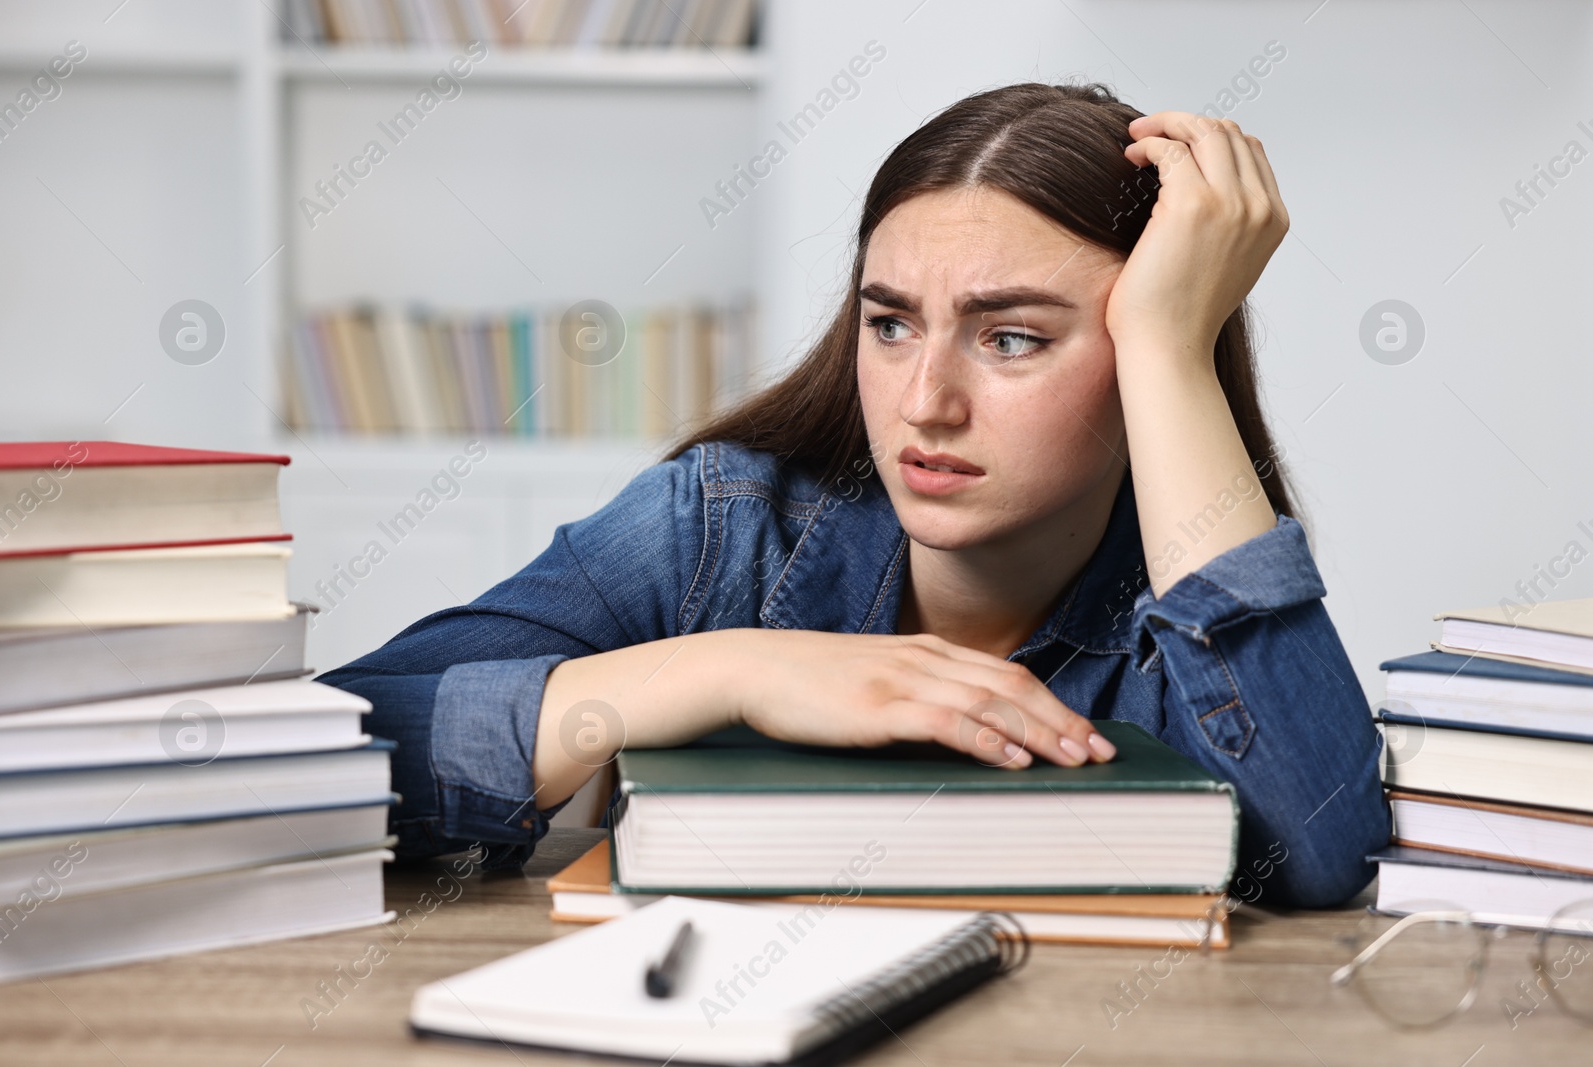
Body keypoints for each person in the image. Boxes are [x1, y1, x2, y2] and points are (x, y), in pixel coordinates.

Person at [319, 82, 1390, 908]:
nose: (925, 401)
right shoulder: (722, 528)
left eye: (1011, 338)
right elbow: (328, 751)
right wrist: (731, 666)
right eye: (889, 323)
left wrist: (1168, 345)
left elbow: (1325, 846)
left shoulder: (1183, 609)